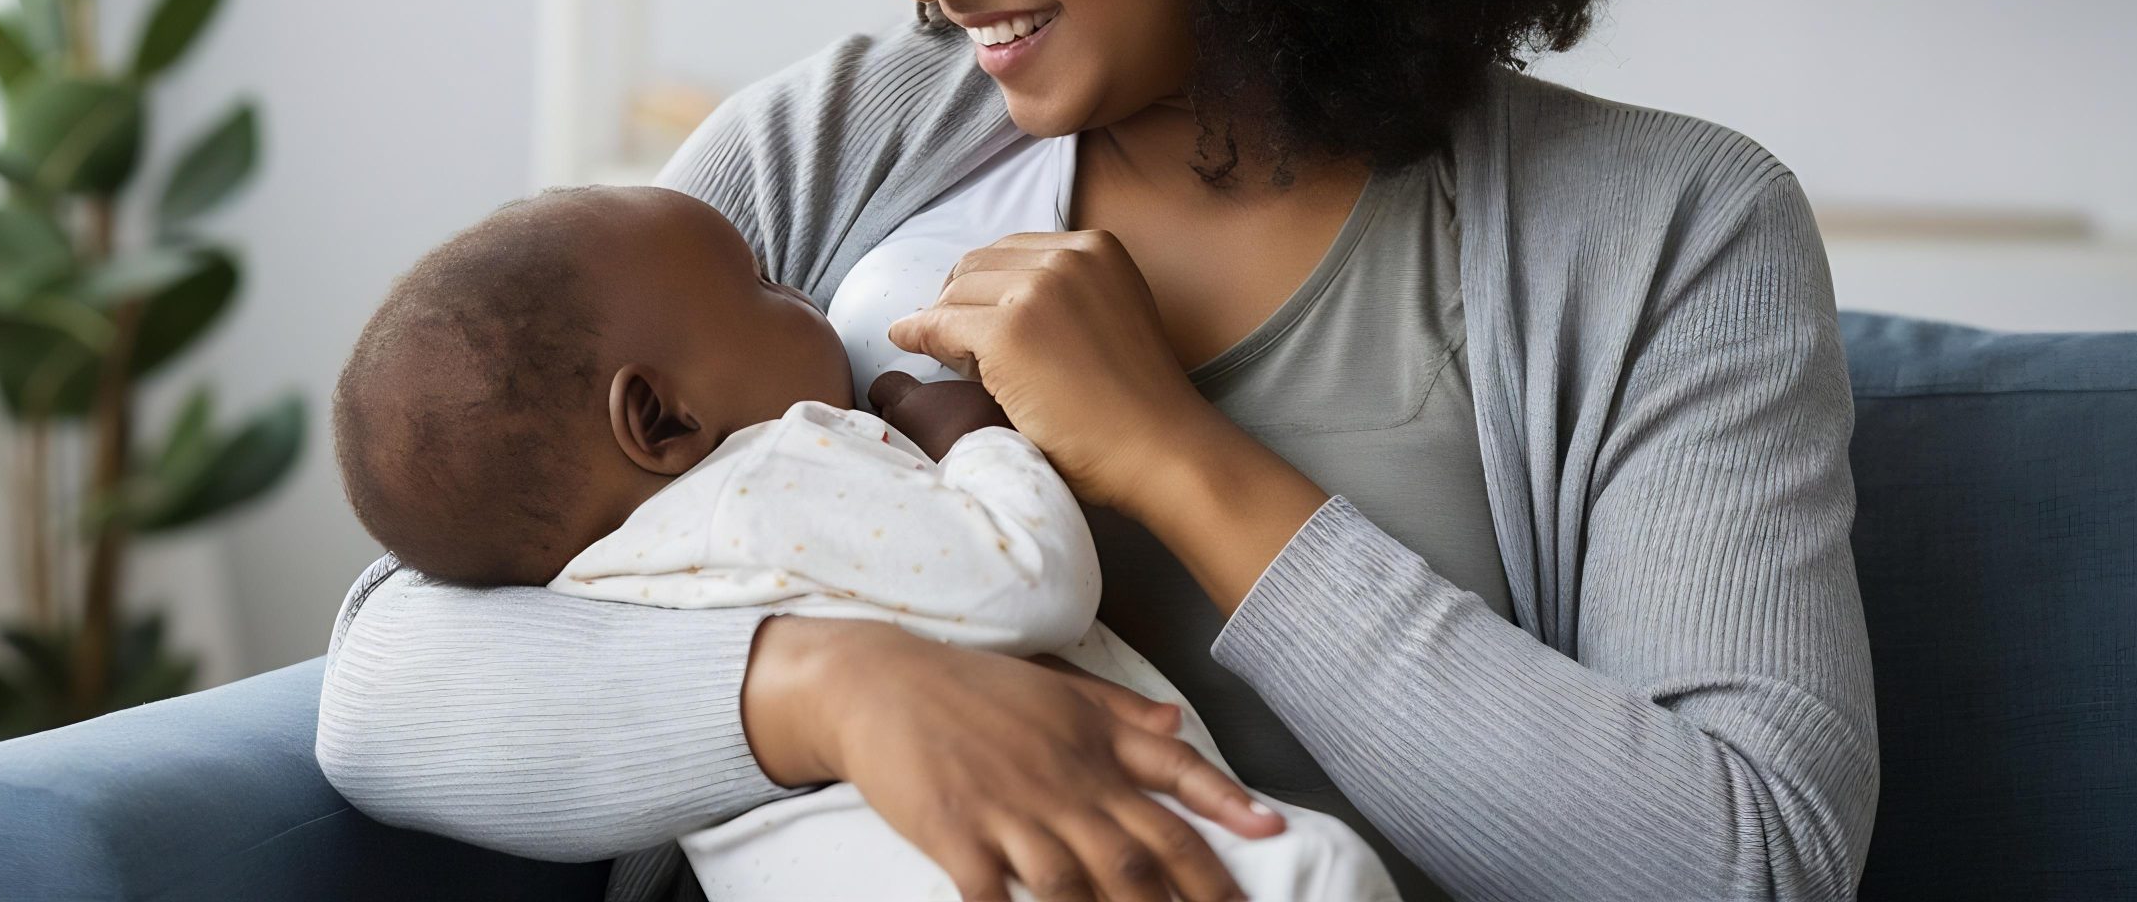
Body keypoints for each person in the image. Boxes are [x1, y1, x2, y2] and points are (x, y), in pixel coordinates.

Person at [316, 0, 1881, 899]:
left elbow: (1749, 862)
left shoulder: (1669, 232)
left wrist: (1173, 456)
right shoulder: (823, 152)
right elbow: (390, 680)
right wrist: (838, 691)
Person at [322, 185, 1402, 900]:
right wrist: (970, 437)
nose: (803, 293)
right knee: (1317, 874)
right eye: (763, 286)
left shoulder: (595, 579)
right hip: (1023, 855)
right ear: (659, 419)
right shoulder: (776, 467)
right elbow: (1026, 585)